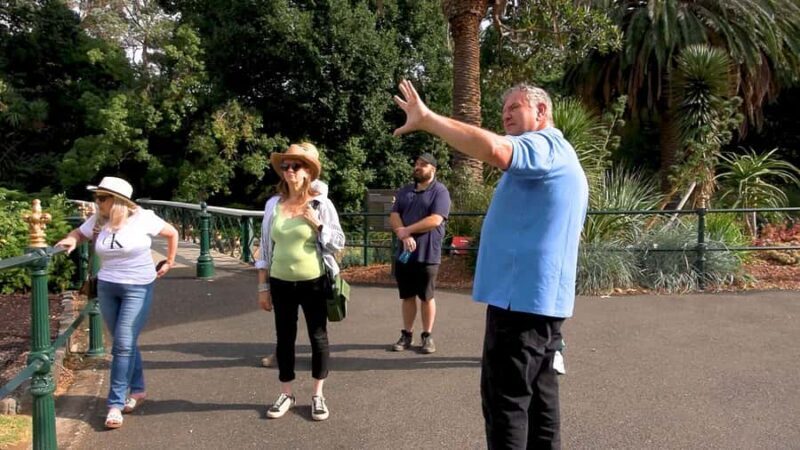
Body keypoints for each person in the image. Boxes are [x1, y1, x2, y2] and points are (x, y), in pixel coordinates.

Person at [393, 80, 588, 448]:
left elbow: (497, 150)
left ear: (542, 112)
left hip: (519, 305)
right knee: (541, 404)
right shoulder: (565, 158)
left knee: (506, 405)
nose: (506, 113)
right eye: (504, 108)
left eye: (515, 106)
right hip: (543, 304)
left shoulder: (543, 145)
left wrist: (429, 119)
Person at [56, 176, 179, 429]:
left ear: (118, 201)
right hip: (108, 286)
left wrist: (170, 260)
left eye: (102, 198)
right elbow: (80, 233)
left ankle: (114, 404)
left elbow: (172, 233)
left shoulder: (143, 218)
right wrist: (70, 239)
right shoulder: (99, 220)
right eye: (96, 197)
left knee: (122, 344)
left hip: (138, 287)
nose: (96, 202)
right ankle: (138, 390)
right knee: (125, 342)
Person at [255, 143, 345, 421]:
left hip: (314, 281)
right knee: (284, 339)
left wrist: (317, 224)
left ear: (308, 172)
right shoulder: (273, 205)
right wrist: (263, 286)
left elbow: (339, 244)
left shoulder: (321, 204)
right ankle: (286, 392)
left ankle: (318, 394)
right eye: (285, 166)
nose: (290, 171)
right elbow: (265, 249)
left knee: (318, 337)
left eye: (296, 166)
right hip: (281, 282)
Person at [389, 152, 451, 354]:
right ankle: (406, 334)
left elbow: (435, 219)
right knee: (407, 296)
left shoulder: (440, 191)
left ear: (432, 169)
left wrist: (409, 230)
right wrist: (402, 233)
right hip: (405, 253)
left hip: (427, 254)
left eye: (422, 164)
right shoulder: (405, 191)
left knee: (426, 296)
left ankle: (427, 336)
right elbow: (395, 214)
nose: (417, 167)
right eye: (416, 163)